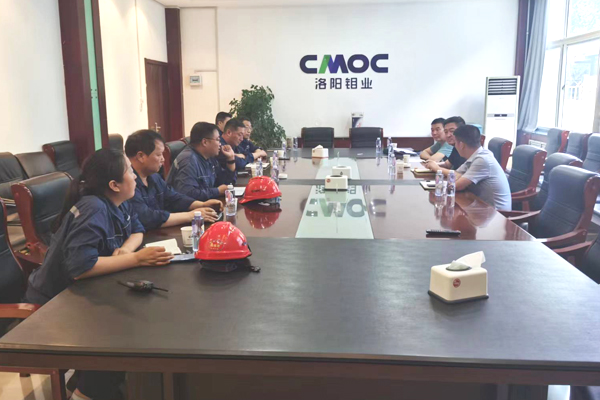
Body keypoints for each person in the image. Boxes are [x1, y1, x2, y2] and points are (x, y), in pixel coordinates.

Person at [25, 148, 173, 400]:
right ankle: (85, 392)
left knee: (133, 324)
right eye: (129, 171)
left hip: (83, 294)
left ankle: (84, 385)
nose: (134, 176)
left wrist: (125, 250)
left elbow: (137, 229)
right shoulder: (93, 208)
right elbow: (80, 267)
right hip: (52, 304)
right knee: (118, 341)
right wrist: (136, 259)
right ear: (114, 185)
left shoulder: (118, 202)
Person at [125, 129, 222, 230]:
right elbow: (147, 218)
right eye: (158, 155)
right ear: (141, 156)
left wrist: (201, 204)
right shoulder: (128, 184)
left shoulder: (154, 177)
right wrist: (190, 215)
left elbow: (173, 198)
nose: (163, 159)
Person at [167, 122, 236, 201]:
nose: (220, 144)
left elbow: (223, 183)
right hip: (189, 208)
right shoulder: (188, 160)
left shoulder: (209, 157)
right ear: (205, 142)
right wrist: (217, 191)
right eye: (218, 140)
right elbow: (187, 194)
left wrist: (231, 159)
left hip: (204, 204)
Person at [452, 124, 511, 211]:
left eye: (455, 143)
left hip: (497, 214)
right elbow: (455, 174)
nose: (455, 146)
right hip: (481, 207)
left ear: (461, 145)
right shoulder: (477, 155)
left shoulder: (483, 160)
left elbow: (456, 186)